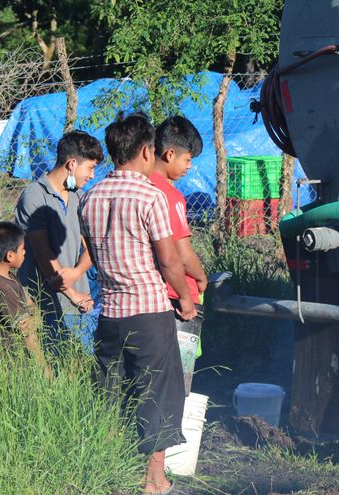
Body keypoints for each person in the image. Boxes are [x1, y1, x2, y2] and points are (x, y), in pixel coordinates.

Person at [79, 113, 197, 495]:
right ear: (147, 151)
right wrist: (185, 298)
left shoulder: (90, 196)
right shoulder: (150, 195)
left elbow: (95, 255)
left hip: (108, 313)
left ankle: (110, 469)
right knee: (158, 392)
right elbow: (169, 261)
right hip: (148, 311)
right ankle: (153, 480)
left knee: (113, 390)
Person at [15, 130, 103, 351]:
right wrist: (71, 292)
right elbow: (43, 252)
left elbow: (91, 246)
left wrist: (76, 273)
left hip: (78, 304)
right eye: (90, 168)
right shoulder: (35, 195)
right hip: (42, 301)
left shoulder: (79, 197)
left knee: (77, 367)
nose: (93, 175)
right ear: (72, 164)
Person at [149, 116, 209, 394]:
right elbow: (182, 254)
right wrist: (200, 277)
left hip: (143, 297)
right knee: (176, 376)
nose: (189, 167)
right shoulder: (170, 196)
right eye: (187, 160)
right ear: (169, 153)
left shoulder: (138, 185)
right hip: (174, 296)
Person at [0, 221, 50, 377]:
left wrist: (35, 318)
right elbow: (28, 334)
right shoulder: (4, 289)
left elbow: (31, 306)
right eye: (22, 249)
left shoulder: (6, 277)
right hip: (15, 368)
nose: (25, 252)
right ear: (10, 256)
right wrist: (45, 371)